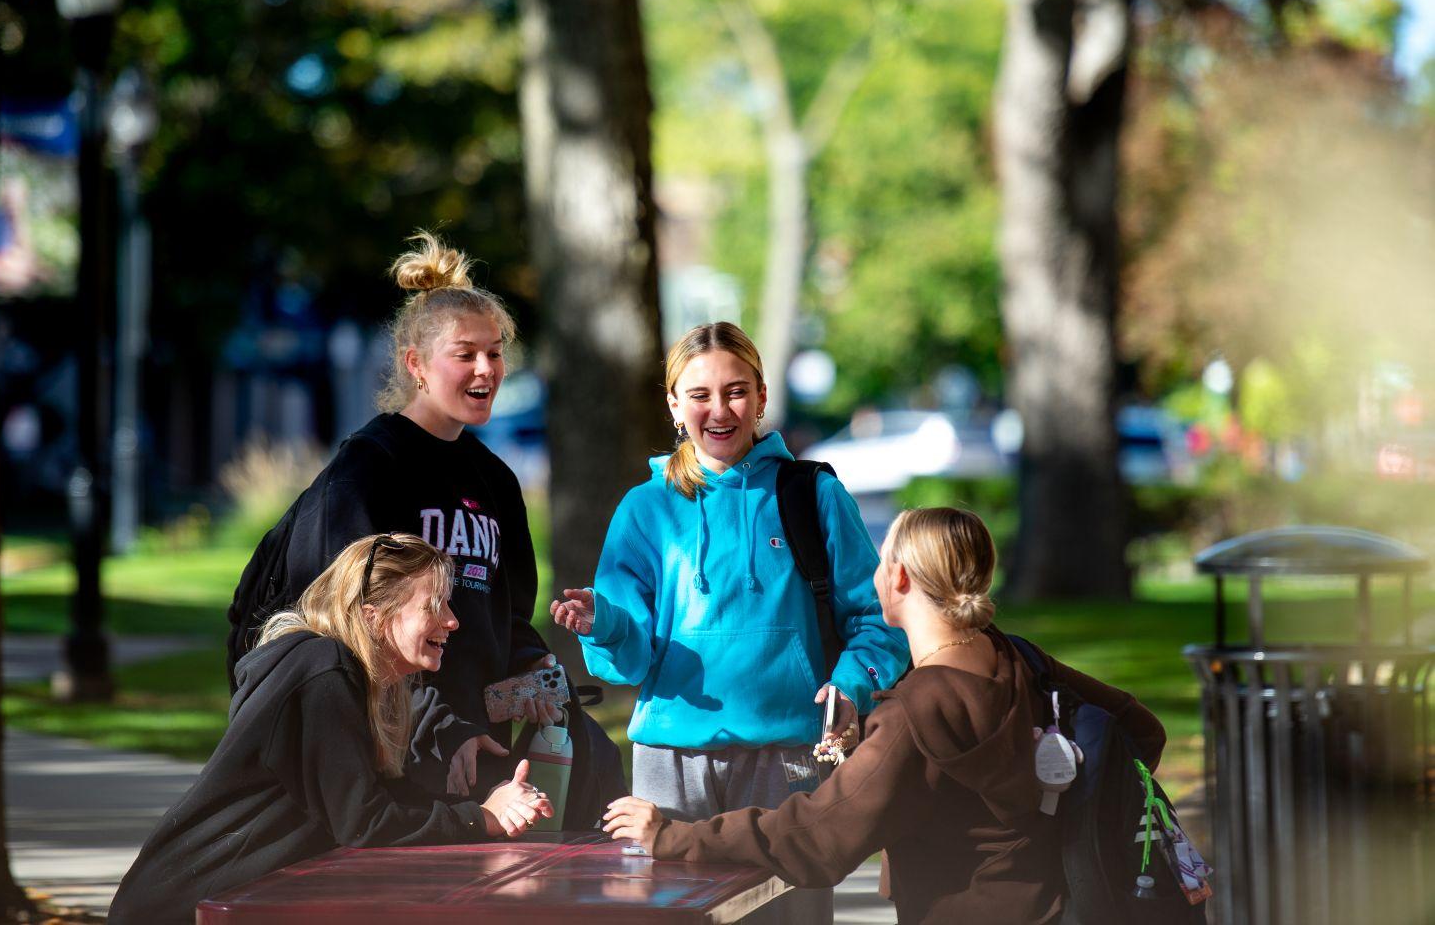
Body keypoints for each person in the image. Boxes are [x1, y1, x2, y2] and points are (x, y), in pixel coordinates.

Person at [600, 507, 1168, 925]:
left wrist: (671, 835)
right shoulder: (1017, 659)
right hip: (1054, 905)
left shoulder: (913, 713)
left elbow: (817, 837)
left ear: (897, 578)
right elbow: (1141, 730)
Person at [552, 321, 910, 924]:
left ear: (762, 397)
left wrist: (849, 687)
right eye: (700, 395)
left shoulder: (814, 495)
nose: (719, 410)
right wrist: (604, 623)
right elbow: (630, 662)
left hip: (789, 759)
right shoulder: (644, 508)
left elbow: (880, 621)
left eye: (736, 391)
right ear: (674, 405)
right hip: (670, 762)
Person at [225, 231, 556, 798]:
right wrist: (439, 726)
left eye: (496, 352)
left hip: (477, 744)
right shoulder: (370, 467)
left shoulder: (497, 480)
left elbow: (508, 615)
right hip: (389, 746)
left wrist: (534, 669)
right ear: (416, 364)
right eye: (465, 355)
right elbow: (345, 623)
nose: (486, 369)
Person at [111, 534, 554, 924]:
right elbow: (364, 823)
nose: (453, 620)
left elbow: (388, 800)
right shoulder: (323, 670)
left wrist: (489, 807)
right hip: (183, 909)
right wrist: (482, 818)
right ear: (373, 615)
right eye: (433, 605)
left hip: (226, 902)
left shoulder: (357, 680)